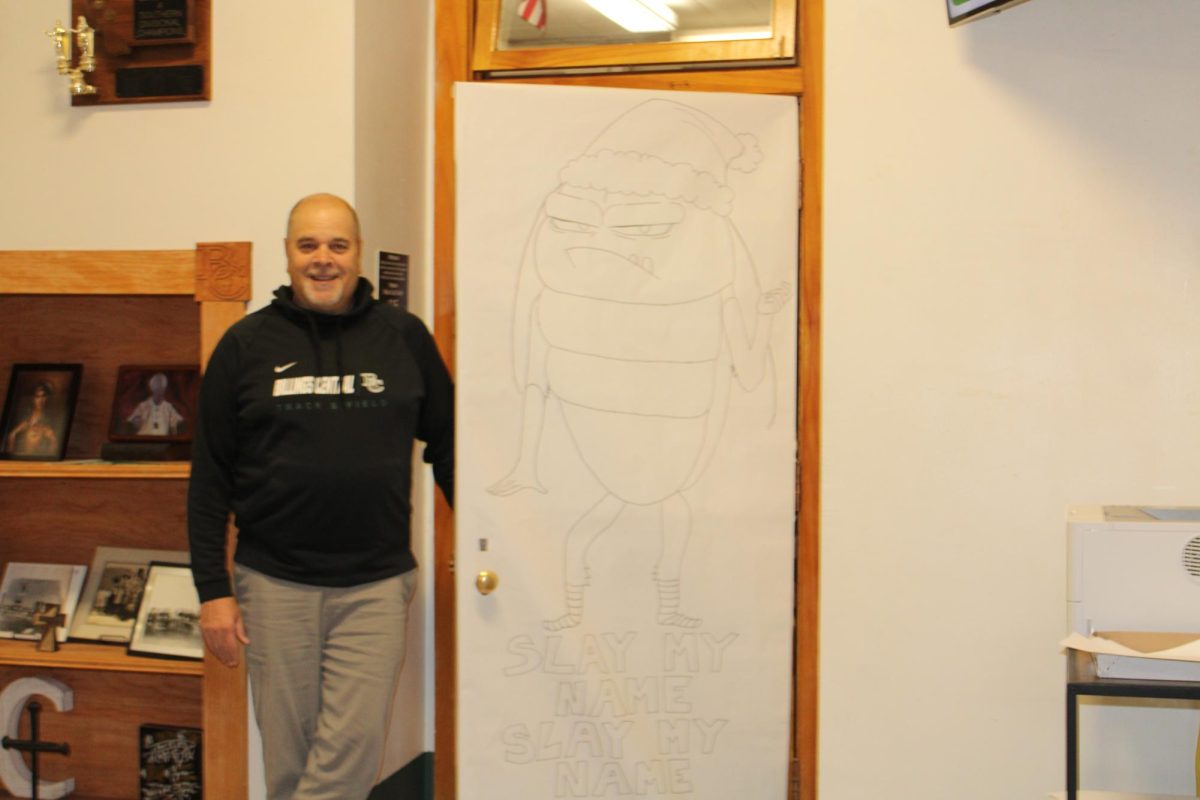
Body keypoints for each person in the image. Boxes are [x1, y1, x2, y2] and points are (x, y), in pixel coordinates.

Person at [187, 193, 454, 800]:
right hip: (274, 587)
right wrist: (213, 592)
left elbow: (451, 447)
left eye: (338, 245)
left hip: (375, 588)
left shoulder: (403, 339)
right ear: (287, 254)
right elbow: (209, 477)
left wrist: (493, 541)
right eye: (308, 245)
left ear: (358, 253)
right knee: (288, 762)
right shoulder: (244, 346)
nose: (323, 259)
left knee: (350, 755)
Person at [4, 381, 59, 457]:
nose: (41, 400)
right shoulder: (25, 417)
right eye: (38, 397)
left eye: (44, 396)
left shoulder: (52, 419)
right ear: (33, 399)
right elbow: (12, 435)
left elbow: (54, 443)